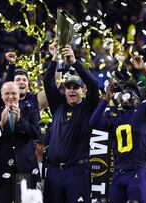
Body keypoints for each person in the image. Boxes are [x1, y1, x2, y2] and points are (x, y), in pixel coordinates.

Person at [89, 54, 146, 202]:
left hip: (137, 171)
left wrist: (144, 71)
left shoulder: (144, 110)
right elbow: (93, 123)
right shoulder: (114, 113)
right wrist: (106, 99)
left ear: (138, 99)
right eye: (124, 94)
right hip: (117, 172)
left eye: (131, 94)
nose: (126, 96)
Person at [43, 43, 99, 203]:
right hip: (53, 171)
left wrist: (74, 62)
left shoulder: (88, 108)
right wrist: (54, 57)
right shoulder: (58, 106)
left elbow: (94, 84)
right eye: (69, 87)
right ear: (65, 90)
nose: (72, 90)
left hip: (77, 171)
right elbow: (48, 82)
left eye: (77, 87)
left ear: (84, 91)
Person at [0, 81, 41, 203]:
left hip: (25, 167)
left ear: (19, 94)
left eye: (13, 93)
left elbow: (36, 134)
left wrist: (20, 120)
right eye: (6, 93)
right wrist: (0, 124)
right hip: (1, 168)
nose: (10, 97)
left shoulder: (30, 110)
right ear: (1, 95)